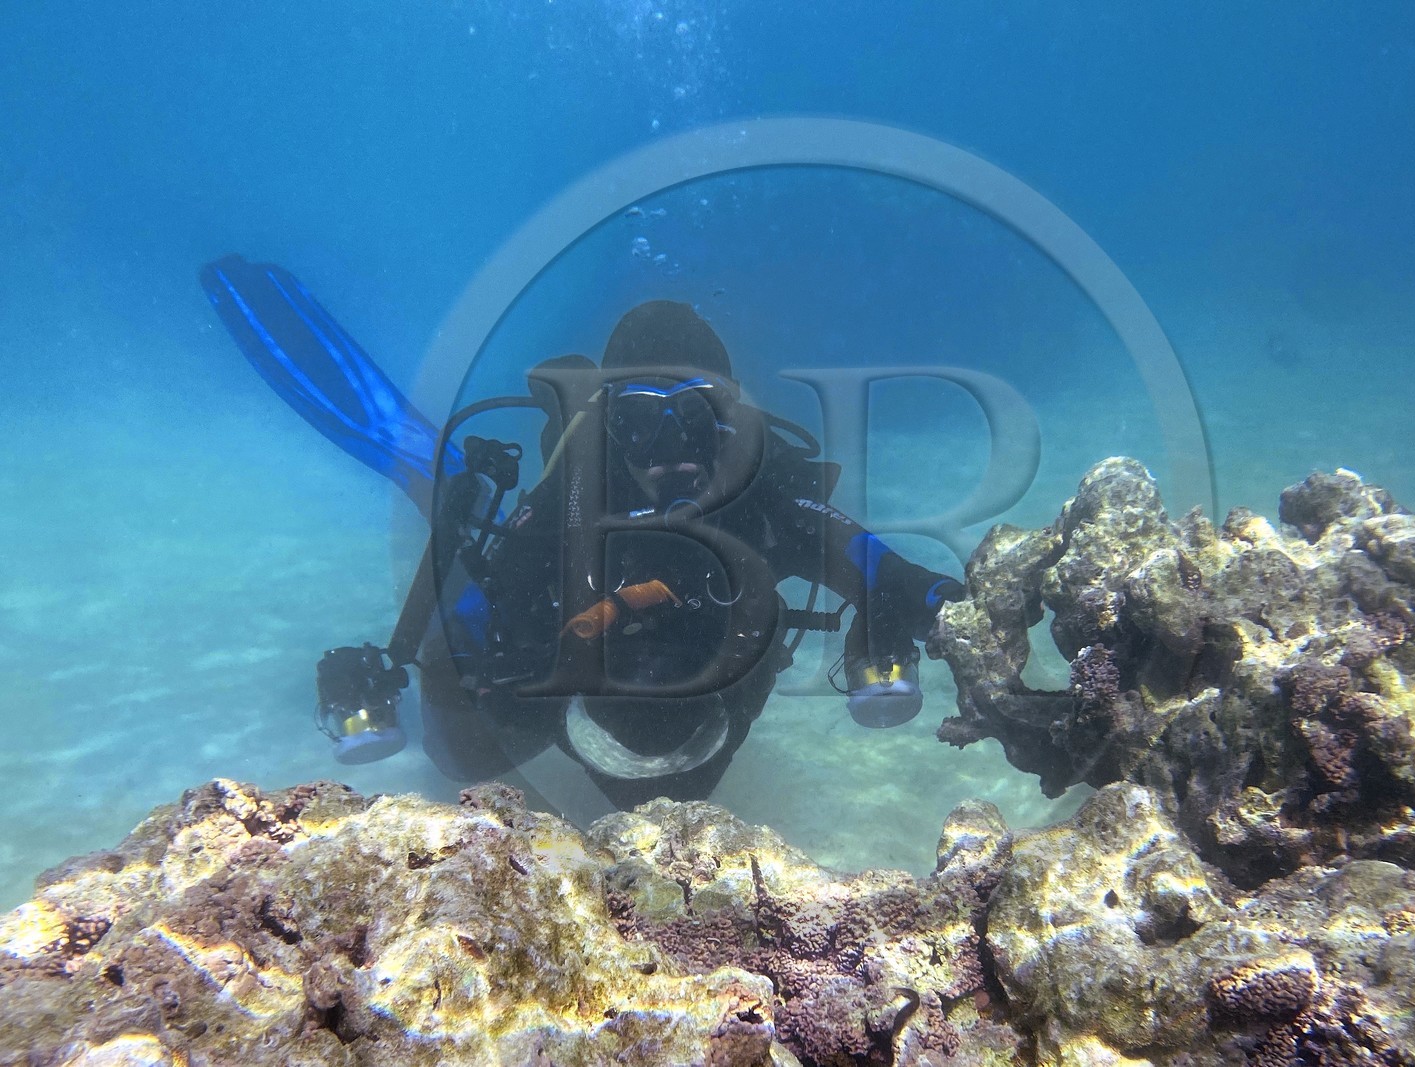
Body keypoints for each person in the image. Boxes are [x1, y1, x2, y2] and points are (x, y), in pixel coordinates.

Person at [200, 257, 965, 807]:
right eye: (637, 418)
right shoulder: (569, 495)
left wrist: (934, 602)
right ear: (609, 422)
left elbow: (876, 563)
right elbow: (470, 620)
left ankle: (450, 483)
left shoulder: (763, 492)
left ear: (732, 420)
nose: (669, 448)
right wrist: (450, 655)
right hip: (572, 711)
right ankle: (444, 478)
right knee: (456, 753)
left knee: (664, 786)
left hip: (703, 729)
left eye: (696, 416)